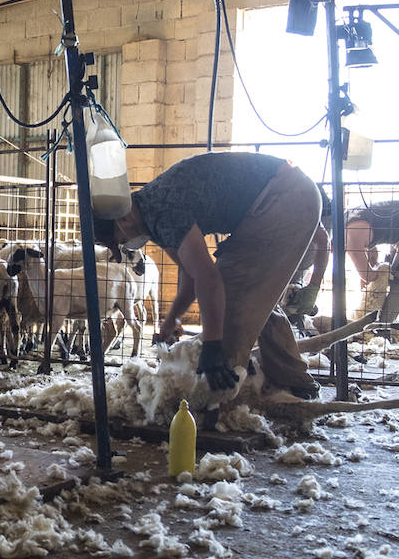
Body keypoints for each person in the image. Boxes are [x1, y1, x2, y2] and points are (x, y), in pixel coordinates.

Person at [94, 151, 323, 399]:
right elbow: (191, 274)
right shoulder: (151, 212)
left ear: (124, 217)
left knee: (232, 294)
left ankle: (220, 398)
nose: (120, 252)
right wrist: (172, 319)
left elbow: (208, 279)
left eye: (118, 242)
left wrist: (212, 346)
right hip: (285, 195)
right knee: (249, 291)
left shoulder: (162, 212)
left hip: (283, 199)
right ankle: (292, 382)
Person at [284, 186, 333, 321]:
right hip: (306, 202)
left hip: (316, 208)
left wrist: (313, 288)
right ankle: (293, 314)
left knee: (298, 267)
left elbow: (323, 241)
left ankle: (294, 317)